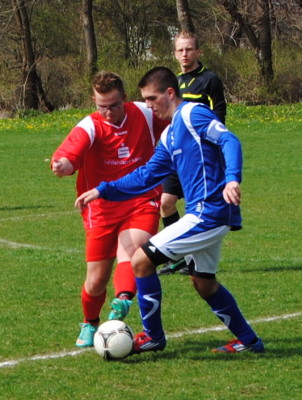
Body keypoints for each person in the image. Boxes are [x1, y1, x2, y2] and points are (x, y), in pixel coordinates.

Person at [75, 67, 264, 354]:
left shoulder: (193, 115)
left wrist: (232, 178)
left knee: (141, 260)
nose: (148, 106)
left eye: (152, 99)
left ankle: (152, 336)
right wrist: (103, 190)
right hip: (203, 213)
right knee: (204, 283)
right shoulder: (170, 135)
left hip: (208, 212)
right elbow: (147, 175)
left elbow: (229, 140)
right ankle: (249, 342)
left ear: (170, 93)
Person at [51, 71, 169, 348]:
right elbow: (69, 154)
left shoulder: (145, 113)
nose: (108, 112)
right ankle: (90, 323)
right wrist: (64, 165)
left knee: (133, 247)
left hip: (142, 198)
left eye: (114, 105)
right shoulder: (90, 126)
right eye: (101, 105)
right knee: (95, 281)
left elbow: (177, 121)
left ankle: (124, 298)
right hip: (101, 207)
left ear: (125, 99)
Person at [158, 31, 227, 275]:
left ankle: (193, 260)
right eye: (180, 50)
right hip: (177, 154)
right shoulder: (174, 82)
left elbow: (219, 118)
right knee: (165, 202)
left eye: (189, 49)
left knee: (197, 208)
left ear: (198, 52)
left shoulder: (210, 80)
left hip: (200, 157)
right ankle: (179, 257)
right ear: (175, 54)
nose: (185, 54)